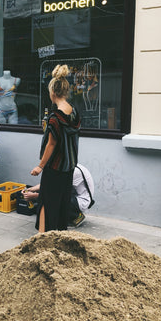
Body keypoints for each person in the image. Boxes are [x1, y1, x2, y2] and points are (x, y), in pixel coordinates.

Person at [30, 64, 80, 232]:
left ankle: (43, 238)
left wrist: (40, 166)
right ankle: (59, 235)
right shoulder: (74, 113)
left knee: (46, 201)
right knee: (62, 203)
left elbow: (51, 144)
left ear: (53, 92)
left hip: (55, 166)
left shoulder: (55, 117)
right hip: (69, 166)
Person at [22, 163, 94, 227]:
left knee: (54, 198)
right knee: (47, 194)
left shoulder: (73, 171)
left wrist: (34, 196)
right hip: (74, 195)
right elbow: (48, 184)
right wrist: (30, 189)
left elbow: (55, 192)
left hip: (82, 201)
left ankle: (75, 216)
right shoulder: (66, 166)